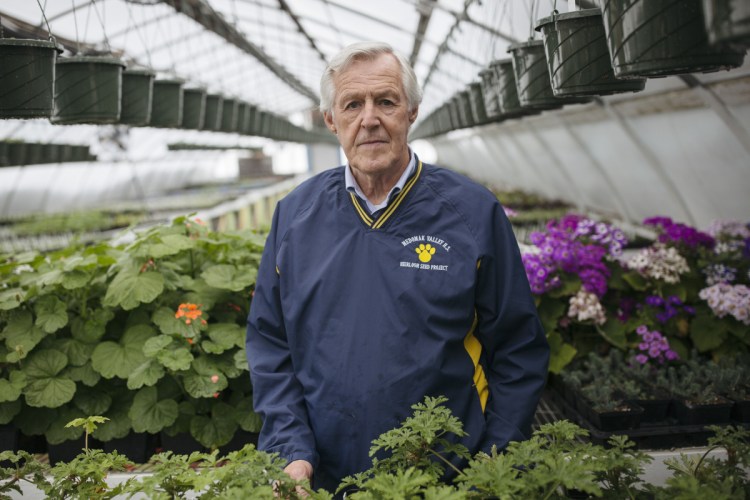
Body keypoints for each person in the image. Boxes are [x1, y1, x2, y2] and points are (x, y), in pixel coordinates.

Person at [246, 41, 549, 494]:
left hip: (449, 476)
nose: (369, 119)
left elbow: (517, 346)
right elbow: (271, 345)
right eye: (352, 104)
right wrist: (292, 452)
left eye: (386, 101)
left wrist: (496, 454)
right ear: (331, 120)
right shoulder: (295, 216)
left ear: (411, 112)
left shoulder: (471, 213)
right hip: (326, 479)